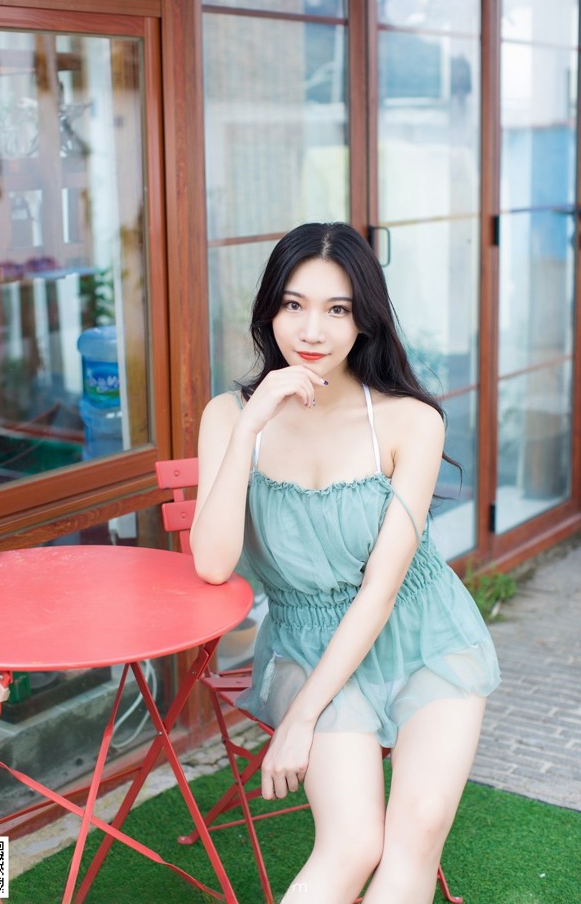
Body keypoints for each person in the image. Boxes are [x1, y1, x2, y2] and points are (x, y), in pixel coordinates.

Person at [190, 222, 500, 904]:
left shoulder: (409, 421)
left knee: (413, 836)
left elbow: (381, 593)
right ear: (269, 309)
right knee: (354, 842)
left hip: (425, 635)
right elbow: (213, 565)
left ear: (366, 320)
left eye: (338, 309)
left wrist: (300, 719)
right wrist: (251, 424)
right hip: (306, 639)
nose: (313, 330)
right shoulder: (229, 415)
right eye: (294, 304)